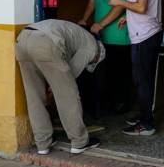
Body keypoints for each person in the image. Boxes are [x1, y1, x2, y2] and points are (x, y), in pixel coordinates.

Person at [15, 19, 104, 154]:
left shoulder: (77, 35)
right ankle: (79, 142)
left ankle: (42, 143)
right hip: (45, 42)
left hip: (22, 40)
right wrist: (55, 85)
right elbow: (71, 73)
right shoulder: (92, 47)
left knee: (34, 96)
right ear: (98, 55)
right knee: (68, 94)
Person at [108, 0, 162, 136]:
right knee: (144, 80)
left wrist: (119, 2)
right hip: (149, 33)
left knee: (142, 81)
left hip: (144, 37)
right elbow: (142, 7)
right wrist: (126, 16)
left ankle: (146, 124)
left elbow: (141, 6)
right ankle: (145, 115)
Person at [78, 0, 133, 115]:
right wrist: (84, 18)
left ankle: (123, 103)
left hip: (119, 36)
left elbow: (120, 6)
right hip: (102, 36)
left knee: (120, 72)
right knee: (106, 73)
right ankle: (108, 103)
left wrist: (100, 24)